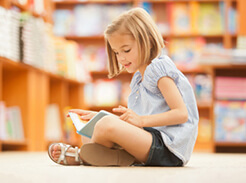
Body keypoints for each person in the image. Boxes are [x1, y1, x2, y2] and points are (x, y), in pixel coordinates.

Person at [48, 7, 199, 167]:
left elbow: (181, 114)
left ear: (146, 40)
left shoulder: (159, 69)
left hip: (168, 148)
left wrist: (139, 120)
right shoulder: (139, 78)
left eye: (126, 50)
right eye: (116, 52)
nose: (121, 58)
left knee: (104, 126)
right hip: (150, 139)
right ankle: (117, 156)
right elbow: (135, 122)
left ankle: (81, 156)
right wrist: (99, 116)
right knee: (90, 128)